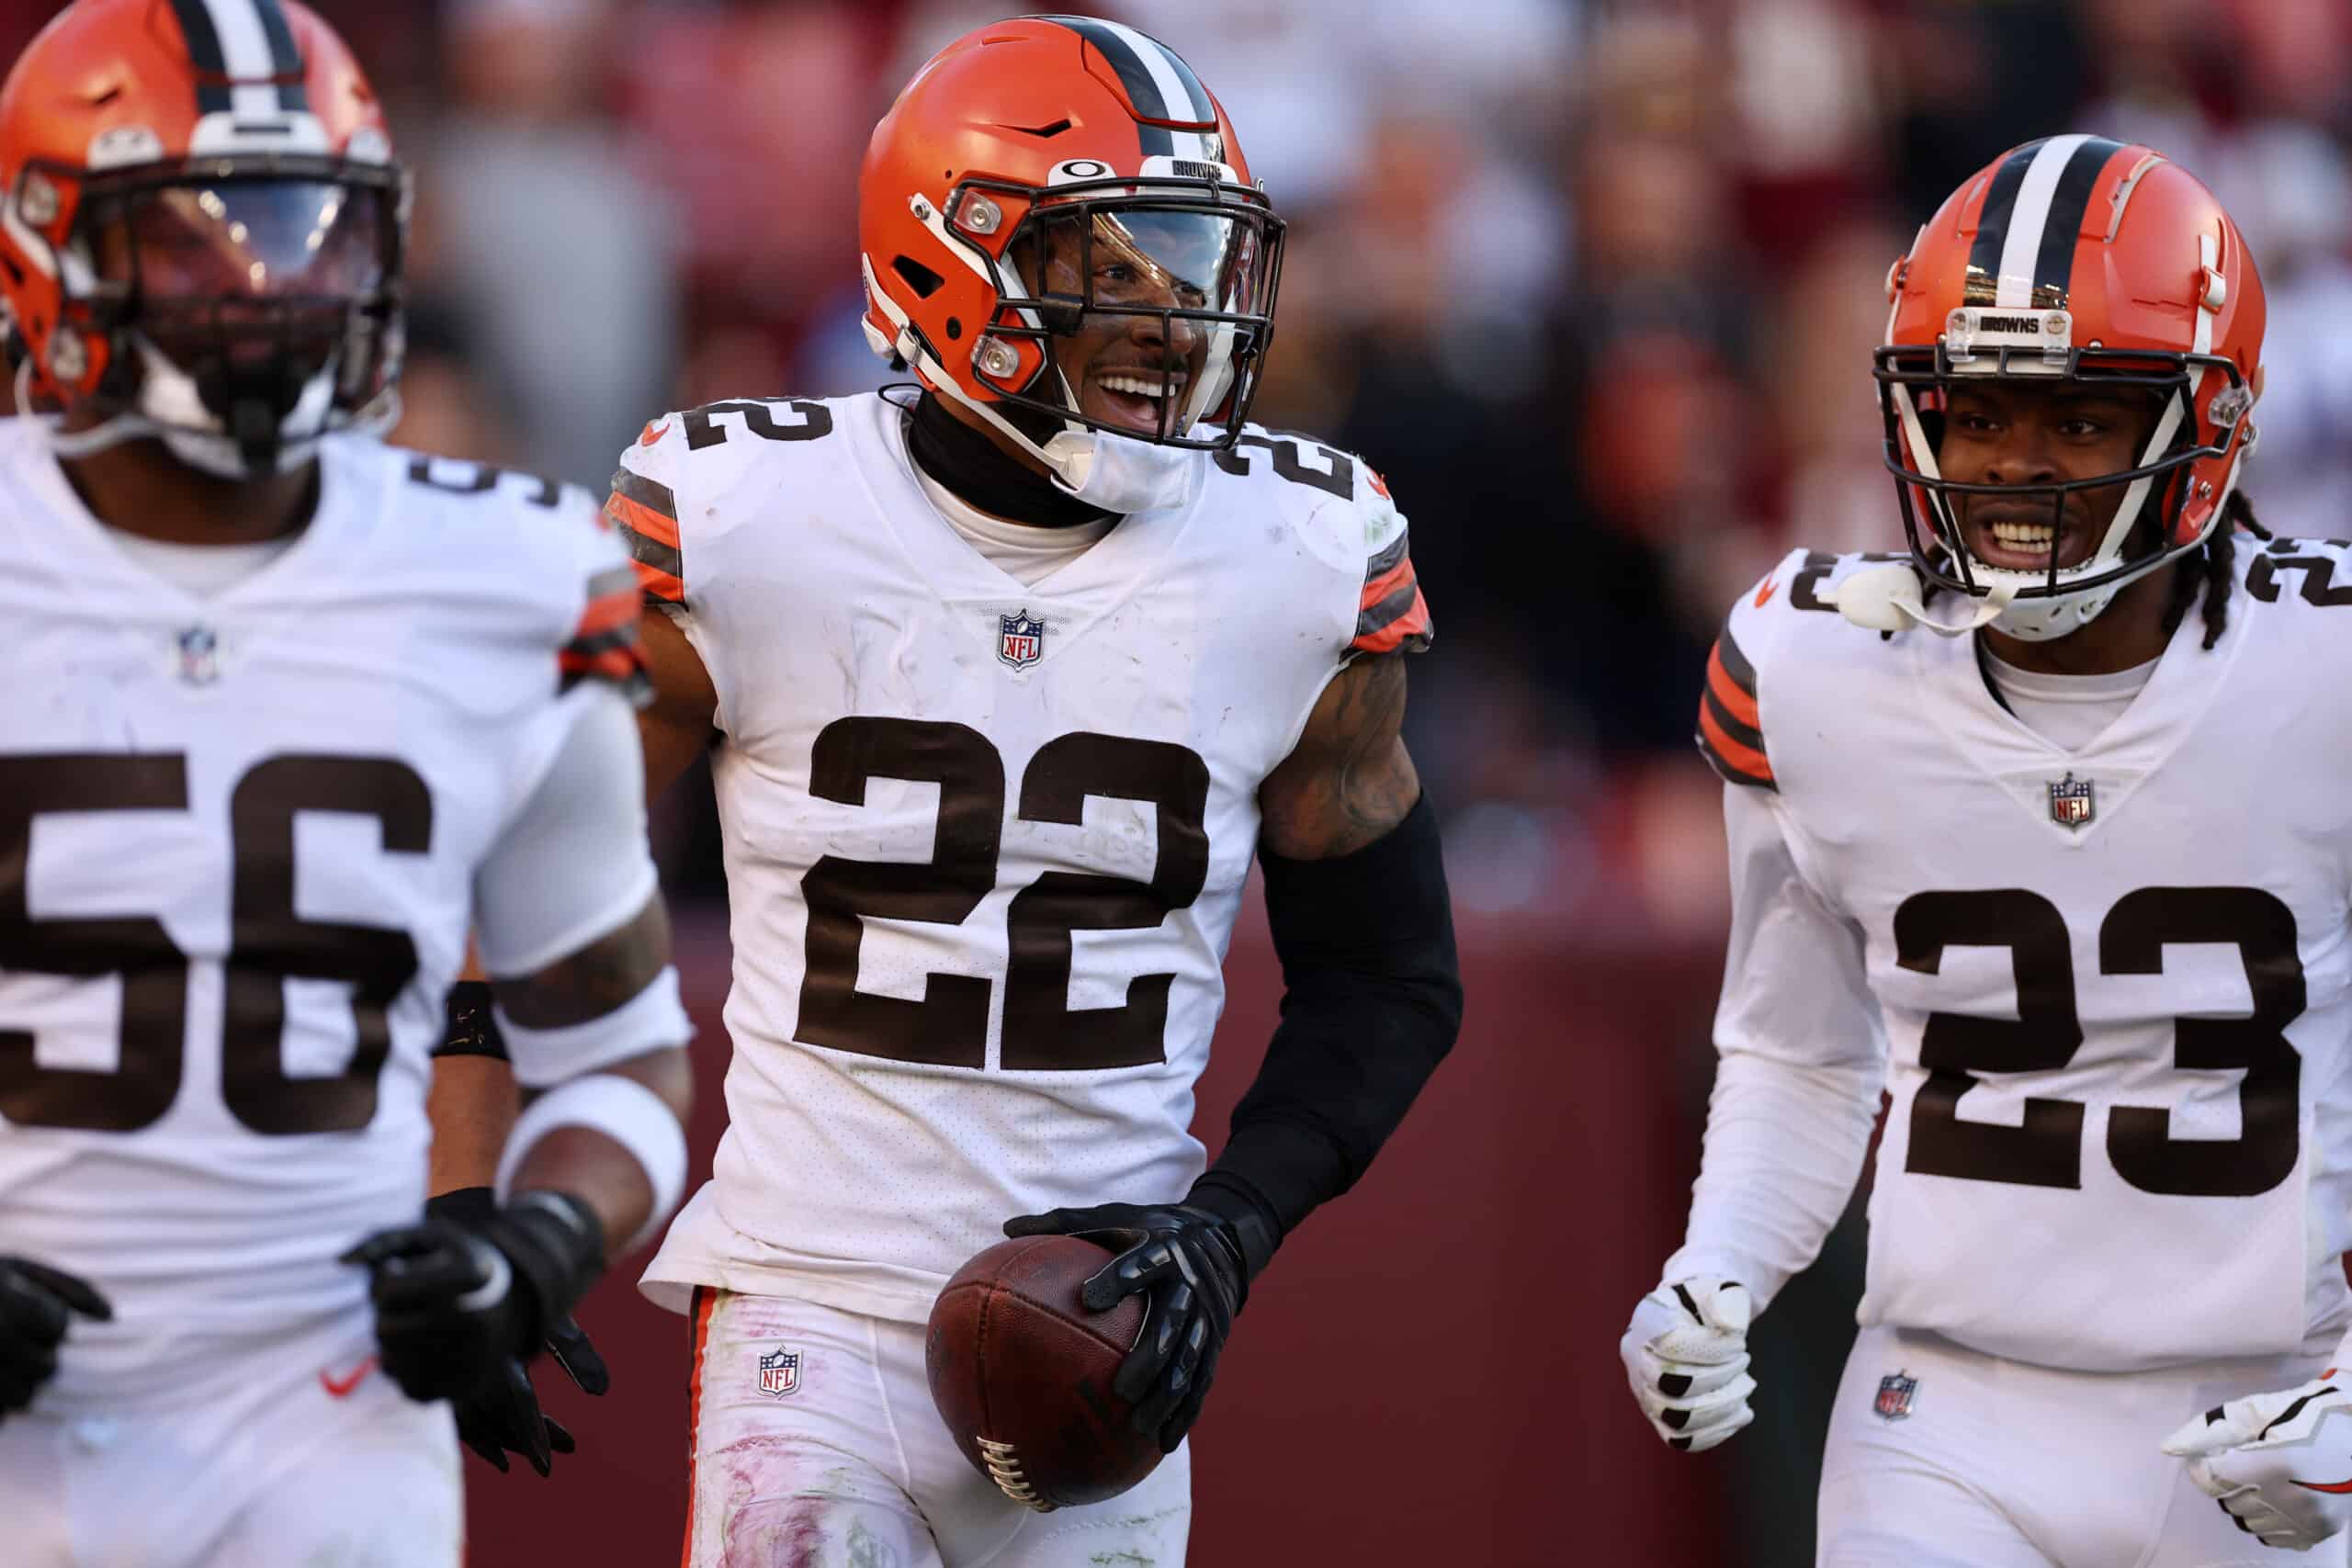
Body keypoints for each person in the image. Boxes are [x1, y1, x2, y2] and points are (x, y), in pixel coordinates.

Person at [607, 15, 1459, 1566]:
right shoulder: (748, 518)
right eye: (1110, 270)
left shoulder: (1298, 554)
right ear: (953, 267)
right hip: (812, 1299)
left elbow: (1389, 977)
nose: (1173, 323)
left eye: (1192, 270)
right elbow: (538, 891)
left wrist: (1232, 1223)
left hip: (1113, 1325)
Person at [0, 4, 695, 1564]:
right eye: (198, 240)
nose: (271, 282)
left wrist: (526, 1247)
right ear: (51, 248)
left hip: (329, 1417)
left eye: (316, 231)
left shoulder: (510, 573)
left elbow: (625, 1062)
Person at [1622, 133, 2352, 1565]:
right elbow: (1799, 1051)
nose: (2016, 465)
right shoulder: (1812, 666)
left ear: (2207, 432)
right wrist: (1718, 1265)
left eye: (2080, 418)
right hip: (1944, 1411)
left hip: (2274, 1409)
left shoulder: (2322, 668)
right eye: (1979, 413)